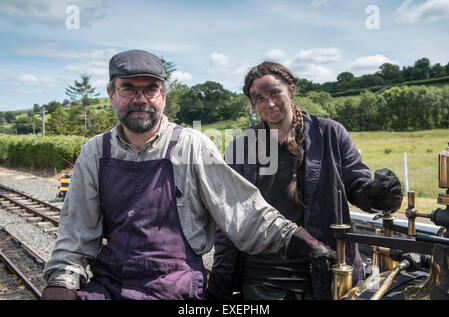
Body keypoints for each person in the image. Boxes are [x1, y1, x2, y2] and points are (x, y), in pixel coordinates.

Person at [40, 50, 337, 300]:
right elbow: (75, 235)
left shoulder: (192, 146)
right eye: (129, 88)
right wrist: (61, 282)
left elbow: (242, 211)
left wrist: (299, 240)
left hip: (177, 288)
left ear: (163, 95)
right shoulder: (96, 152)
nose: (140, 99)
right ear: (111, 94)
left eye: (151, 89)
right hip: (111, 285)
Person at [206, 61, 403, 300]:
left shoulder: (330, 133)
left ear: (291, 90)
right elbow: (231, 218)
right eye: (258, 98)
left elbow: (357, 187)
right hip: (262, 282)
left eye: (274, 93)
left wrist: (378, 194)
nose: (268, 104)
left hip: (328, 273)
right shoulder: (242, 148)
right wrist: (222, 278)